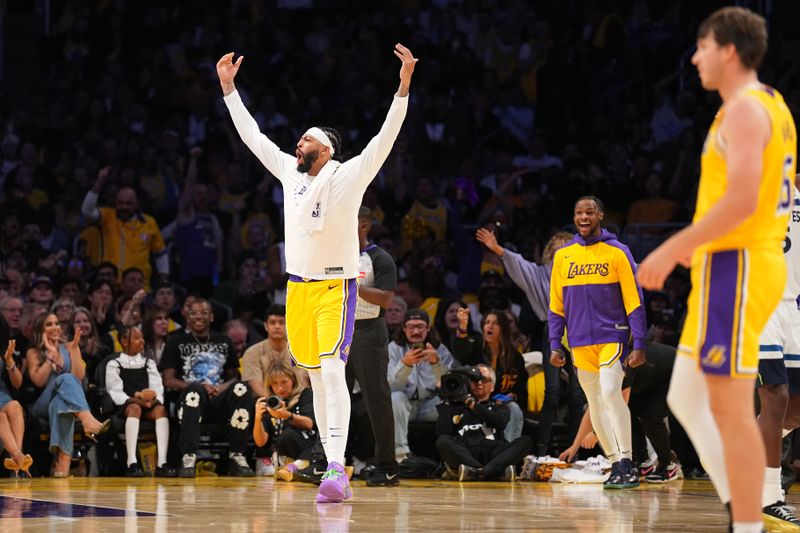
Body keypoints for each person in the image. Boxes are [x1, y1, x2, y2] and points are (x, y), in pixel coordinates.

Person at [217, 42, 417, 503]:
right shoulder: (290, 172)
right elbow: (254, 138)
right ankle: (330, 463)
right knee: (316, 378)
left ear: (325, 148)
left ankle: (335, 469)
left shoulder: (348, 176)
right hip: (299, 291)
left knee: (332, 371)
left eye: (305, 140)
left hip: (336, 287)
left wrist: (403, 86)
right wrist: (229, 89)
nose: (296, 145)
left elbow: (386, 136)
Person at [637, 8, 797, 532]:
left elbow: (745, 197)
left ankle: (747, 522)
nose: (695, 56)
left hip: (741, 265)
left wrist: (669, 249)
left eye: (702, 46)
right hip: (730, 267)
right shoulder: (768, 105)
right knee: (685, 396)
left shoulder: (749, 110)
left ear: (728, 50)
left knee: (730, 408)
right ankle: (743, 510)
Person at [550, 195, 647, 489]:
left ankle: (628, 461)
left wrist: (639, 342)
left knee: (609, 391)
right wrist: (555, 343)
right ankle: (616, 462)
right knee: (594, 402)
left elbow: (635, 300)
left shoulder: (618, 252)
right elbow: (556, 305)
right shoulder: (563, 256)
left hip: (612, 336)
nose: (583, 217)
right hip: (579, 342)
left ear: (600, 215)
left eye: (589, 212)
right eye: (579, 212)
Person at [476, 228, 580, 454]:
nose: (562, 255)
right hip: (552, 330)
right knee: (551, 393)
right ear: (549, 255)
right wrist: (497, 249)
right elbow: (518, 262)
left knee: (576, 395)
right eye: (557, 251)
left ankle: (574, 452)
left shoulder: (582, 275)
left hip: (578, 333)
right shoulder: (539, 274)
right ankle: (541, 453)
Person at [161, 299, 255, 478]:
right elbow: (169, 380)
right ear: (187, 316)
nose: (199, 316)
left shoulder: (224, 340)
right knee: (195, 391)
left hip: (219, 401)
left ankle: (237, 456)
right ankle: (188, 457)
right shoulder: (175, 341)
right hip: (190, 403)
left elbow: (234, 377)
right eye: (194, 312)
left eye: (204, 313)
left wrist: (221, 388)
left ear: (211, 317)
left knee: (242, 388)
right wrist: (199, 386)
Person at [755, 186, 800, 525]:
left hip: (794, 307)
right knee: (776, 397)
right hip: (761, 306)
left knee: (795, 410)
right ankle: (769, 497)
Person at [348, 206, 399, 486]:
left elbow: (386, 299)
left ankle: (387, 466)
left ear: (364, 224)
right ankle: (325, 461)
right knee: (332, 399)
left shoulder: (380, 258)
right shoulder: (332, 253)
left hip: (369, 331)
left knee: (376, 401)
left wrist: (351, 287)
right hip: (337, 331)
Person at [26, 312, 109, 476]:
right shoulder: (34, 351)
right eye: (49, 324)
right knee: (64, 378)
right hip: (42, 404)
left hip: (63, 404)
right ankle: (87, 419)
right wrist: (50, 355)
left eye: (56, 323)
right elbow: (38, 381)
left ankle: (62, 464)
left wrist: (75, 349)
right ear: (40, 329)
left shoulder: (69, 347)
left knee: (61, 404)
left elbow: (78, 377)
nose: (55, 327)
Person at [436, 364, 532, 481]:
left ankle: (477, 472)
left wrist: (471, 404)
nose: (479, 383)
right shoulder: (456, 407)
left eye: (484, 380)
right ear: (468, 383)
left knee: (526, 441)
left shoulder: (500, 407)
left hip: (493, 451)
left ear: (492, 387)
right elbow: (442, 432)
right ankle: (491, 472)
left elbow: (498, 423)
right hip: (466, 451)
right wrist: (445, 400)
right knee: (442, 441)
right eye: (474, 380)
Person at [81, 166, 169, 290]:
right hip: (112, 286)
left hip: (140, 286)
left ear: (137, 204)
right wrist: (99, 182)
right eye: (120, 203)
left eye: (128, 204)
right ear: (115, 203)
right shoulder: (107, 217)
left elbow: (160, 254)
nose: (124, 207)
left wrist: (164, 279)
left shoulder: (149, 222)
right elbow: (86, 211)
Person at [105, 325, 175, 477]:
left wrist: (153, 400)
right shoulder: (114, 363)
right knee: (135, 408)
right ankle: (131, 462)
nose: (142, 341)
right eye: (137, 338)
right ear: (124, 341)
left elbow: (157, 386)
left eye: (142, 338)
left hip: (149, 404)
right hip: (127, 404)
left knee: (161, 410)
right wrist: (138, 400)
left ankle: (162, 462)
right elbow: (116, 392)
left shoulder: (148, 363)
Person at [452, 307, 528, 441]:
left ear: (503, 329)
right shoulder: (476, 347)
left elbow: (522, 392)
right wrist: (463, 328)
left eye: (495, 323)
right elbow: (460, 353)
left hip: (499, 407)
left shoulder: (515, 359)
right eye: (487, 322)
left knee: (514, 409)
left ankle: (507, 453)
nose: (490, 326)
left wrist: (513, 396)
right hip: (474, 401)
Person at [388, 308, 454, 462]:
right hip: (406, 405)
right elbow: (390, 387)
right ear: (403, 329)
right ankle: (400, 454)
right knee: (395, 398)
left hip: (429, 405)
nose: (416, 331)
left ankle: (450, 458)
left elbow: (450, 386)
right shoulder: (393, 348)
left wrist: (436, 363)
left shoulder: (439, 349)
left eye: (420, 326)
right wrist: (405, 364)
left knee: (451, 403)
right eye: (411, 327)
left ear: (428, 328)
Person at [253, 362, 317, 482]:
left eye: (284, 382)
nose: (280, 388)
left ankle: (292, 468)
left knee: (315, 440)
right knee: (285, 437)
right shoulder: (269, 403)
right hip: (284, 450)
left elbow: (309, 423)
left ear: (293, 380)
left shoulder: (306, 394)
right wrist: (257, 418)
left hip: (306, 444)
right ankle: (295, 467)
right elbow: (261, 442)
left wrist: (286, 415)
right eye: (275, 383)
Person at [0, 335, 31, 477]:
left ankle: (16, 457)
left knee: (15, 406)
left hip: (3, 398)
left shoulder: (2, 348)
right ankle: (19, 459)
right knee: (0, 417)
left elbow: (18, 383)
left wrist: (9, 360)